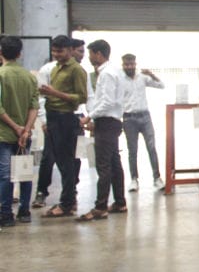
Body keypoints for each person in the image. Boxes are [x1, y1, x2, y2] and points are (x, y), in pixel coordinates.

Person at [77, 39, 128, 221]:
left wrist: (89, 117)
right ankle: (120, 202)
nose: (89, 57)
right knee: (114, 163)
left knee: (103, 165)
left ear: (98, 54)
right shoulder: (114, 72)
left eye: (90, 54)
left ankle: (100, 207)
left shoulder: (106, 74)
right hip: (112, 122)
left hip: (106, 122)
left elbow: (107, 102)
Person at [39, 34, 88, 218]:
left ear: (69, 50)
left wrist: (55, 93)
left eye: (59, 51)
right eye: (54, 51)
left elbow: (80, 97)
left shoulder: (76, 70)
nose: (56, 54)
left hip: (66, 120)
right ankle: (67, 201)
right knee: (60, 162)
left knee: (67, 162)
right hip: (53, 118)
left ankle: (67, 203)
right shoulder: (56, 68)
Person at [0, 36, 40, 226]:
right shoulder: (29, 77)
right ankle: (24, 211)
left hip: (4, 134)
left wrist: (15, 127)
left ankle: (6, 214)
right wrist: (26, 129)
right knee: (24, 172)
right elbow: (34, 105)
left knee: (5, 175)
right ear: (19, 54)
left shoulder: (1, 75)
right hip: (24, 134)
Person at [120, 53, 165, 191]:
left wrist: (151, 74)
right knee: (132, 150)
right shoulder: (119, 79)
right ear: (123, 65)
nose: (130, 66)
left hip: (145, 117)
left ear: (135, 64)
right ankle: (134, 180)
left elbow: (161, 85)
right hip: (128, 118)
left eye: (132, 64)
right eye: (127, 64)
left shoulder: (142, 78)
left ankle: (157, 178)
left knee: (151, 148)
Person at [31, 55, 58, 208]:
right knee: (48, 157)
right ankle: (41, 191)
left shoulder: (79, 70)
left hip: (73, 119)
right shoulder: (47, 69)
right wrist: (44, 120)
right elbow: (40, 97)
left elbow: (87, 96)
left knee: (74, 159)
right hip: (53, 119)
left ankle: (70, 195)